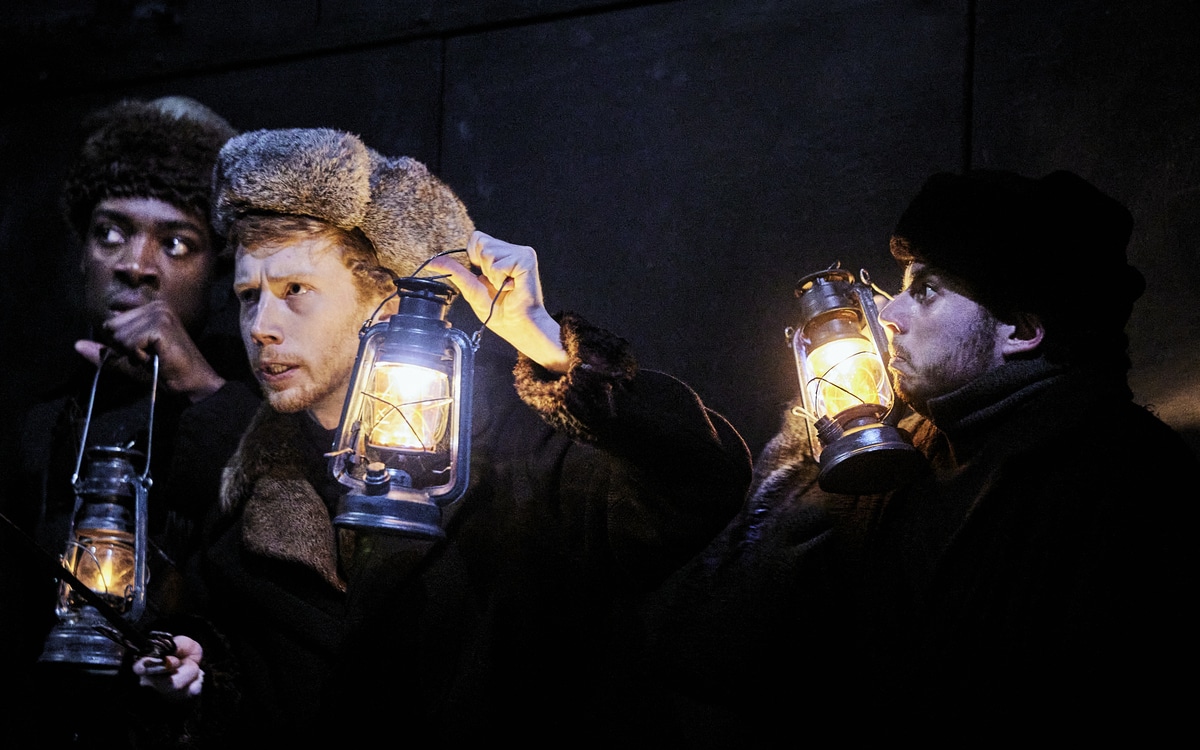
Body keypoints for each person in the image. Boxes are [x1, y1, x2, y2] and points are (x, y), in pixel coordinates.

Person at [148, 127, 751, 745]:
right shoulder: (238, 495)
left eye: (295, 290)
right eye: (249, 296)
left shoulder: (517, 454)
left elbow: (700, 487)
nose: (262, 326)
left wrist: (549, 347)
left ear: (384, 303)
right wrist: (200, 678)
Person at [639, 168, 1200, 743]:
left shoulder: (1129, 486)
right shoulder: (908, 452)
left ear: (1022, 329)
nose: (888, 313)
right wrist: (802, 476)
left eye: (925, 290)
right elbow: (722, 656)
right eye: (903, 285)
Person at [0, 96, 260, 748]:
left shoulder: (258, 408)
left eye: (177, 243)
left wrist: (198, 386)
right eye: (110, 232)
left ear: (219, 269)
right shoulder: (38, 423)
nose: (136, 264)